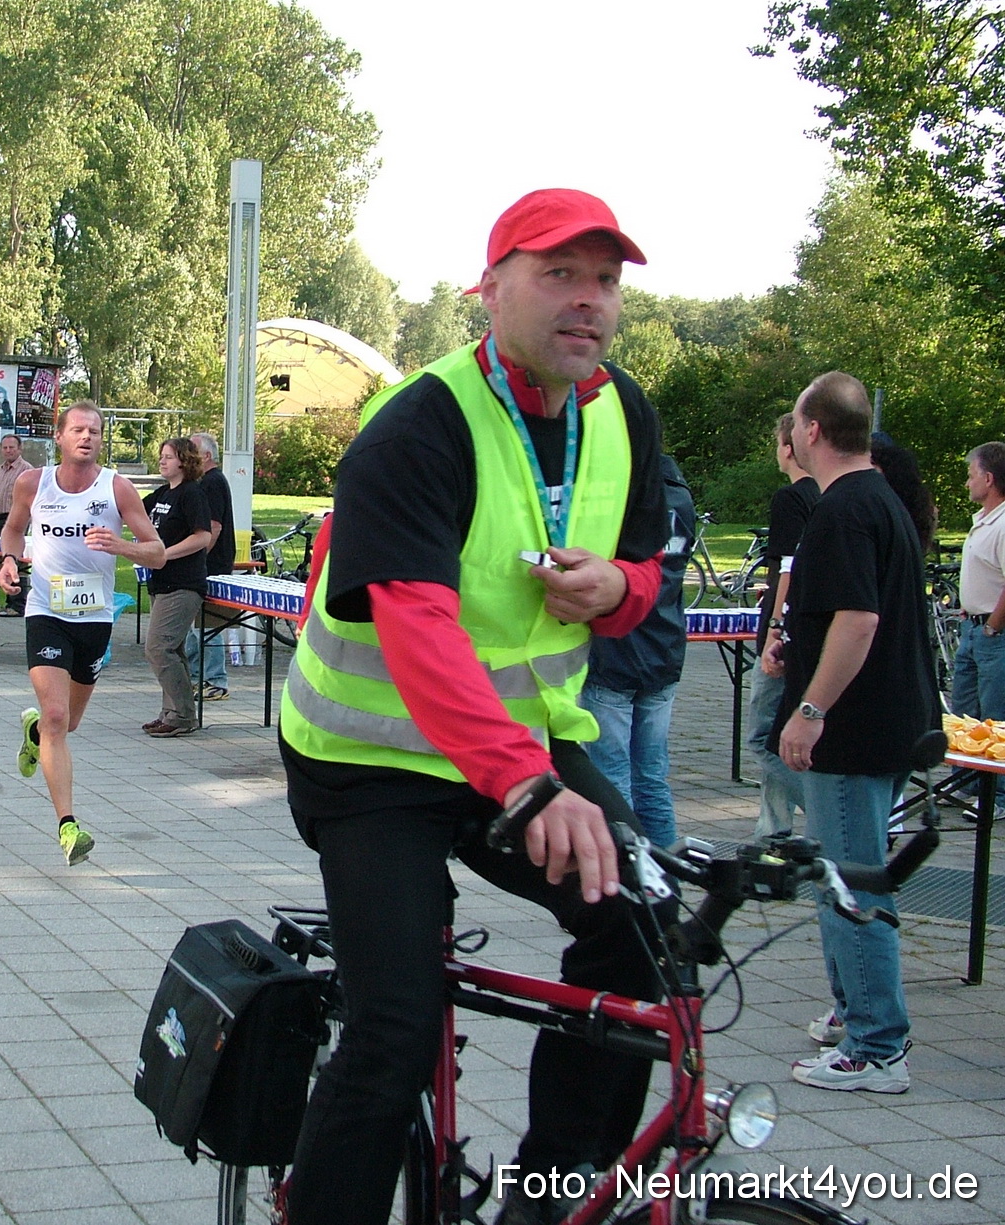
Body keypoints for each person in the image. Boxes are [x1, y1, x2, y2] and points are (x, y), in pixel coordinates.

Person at [276, 189, 669, 1225]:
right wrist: (532, 786)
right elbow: (416, 629)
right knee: (394, 1028)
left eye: (605, 280)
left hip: (525, 753)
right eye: (558, 275)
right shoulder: (415, 426)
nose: (587, 301)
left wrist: (617, 589)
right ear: (489, 290)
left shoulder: (624, 410)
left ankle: (546, 1194)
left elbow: (644, 569)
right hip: (373, 766)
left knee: (645, 935)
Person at [766, 372, 938, 1094]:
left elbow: (858, 619)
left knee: (849, 883)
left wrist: (810, 709)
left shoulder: (841, 510)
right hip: (891, 720)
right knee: (849, 872)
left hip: (853, 729)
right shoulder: (883, 500)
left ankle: (875, 1045)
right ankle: (855, 1010)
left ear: (809, 431)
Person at [0, 402, 165, 866]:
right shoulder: (34, 484)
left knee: (66, 724)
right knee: (55, 715)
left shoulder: (118, 489)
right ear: (59, 436)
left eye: (94, 430)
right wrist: (9, 561)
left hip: (93, 617)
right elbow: (12, 532)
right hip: (45, 610)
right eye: (78, 429)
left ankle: (34, 734)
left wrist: (121, 546)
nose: (87, 437)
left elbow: (157, 553)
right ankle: (68, 826)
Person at [575, 455, 695, 848]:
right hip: (664, 649)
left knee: (612, 780)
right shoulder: (680, 497)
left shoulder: (623, 498)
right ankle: (666, 878)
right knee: (652, 779)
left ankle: (630, 880)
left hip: (616, 651)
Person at [750, 412, 821, 838]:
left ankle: (827, 809)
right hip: (806, 628)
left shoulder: (791, 498)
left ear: (789, 447)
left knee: (763, 737)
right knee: (778, 735)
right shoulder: (825, 495)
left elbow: (789, 567)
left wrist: (775, 622)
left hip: (782, 633)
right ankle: (771, 830)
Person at [141, 438, 212, 737]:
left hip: (183, 583)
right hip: (161, 581)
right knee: (173, 649)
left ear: (184, 461)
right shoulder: (160, 494)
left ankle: (183, 714)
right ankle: (170, 712)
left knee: (158, 648)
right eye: (161, 456)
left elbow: (203, 536)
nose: (162, 461)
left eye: (168, 457)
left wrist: (165, 554)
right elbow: (131, 511)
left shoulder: (192, 494)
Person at [953, 440, 1005, 725]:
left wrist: (992, 627)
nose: (967, 483)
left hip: (993, 637)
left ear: (989, 479)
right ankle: (969, 771)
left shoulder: (1003, 523)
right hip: (973, 629)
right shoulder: (983, 521)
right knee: (964, 720)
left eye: (972, 475)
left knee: (995, 723)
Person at [187, 431, 234, 701]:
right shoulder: (205, 482)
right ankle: (197, 676)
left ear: (206, 456)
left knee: (208, 625)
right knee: (195, 626)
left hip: (212, 565)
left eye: (191, 451)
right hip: (207, 564)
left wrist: (198, 558)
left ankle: (215, 679)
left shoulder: (213, 482)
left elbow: (213, 527)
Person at [0, 432, 35, 616]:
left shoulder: (25, 470)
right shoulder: (1, 469)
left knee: (17, 560)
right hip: (0, 517)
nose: (8, 451)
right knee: (3, 560)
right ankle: (9, 602)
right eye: (5, 448)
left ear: (19, 449)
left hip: (16, 519)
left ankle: (18, 604)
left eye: (11, 447)